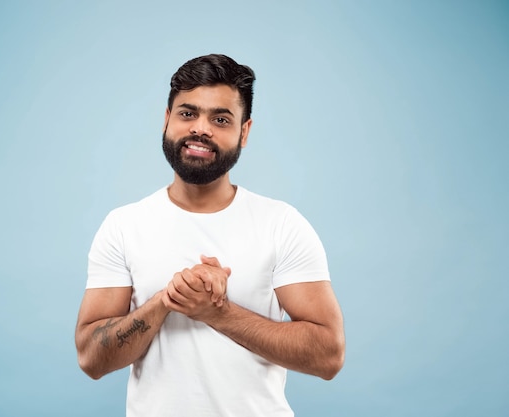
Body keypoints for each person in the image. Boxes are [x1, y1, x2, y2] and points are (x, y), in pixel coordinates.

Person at [75, 54, 345, 417]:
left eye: (220, 119)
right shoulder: (124, 225)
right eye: (188, 113)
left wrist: (217, 313)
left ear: (244, 132)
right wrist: (166, 301)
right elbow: (92, 358)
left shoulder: (282, 224)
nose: (201, 128)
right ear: (166, 119)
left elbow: (328, 356)